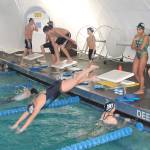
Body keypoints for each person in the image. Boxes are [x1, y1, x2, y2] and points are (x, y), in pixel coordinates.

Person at [10, 65, 99, 133]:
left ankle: (89, 68)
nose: (32, 112)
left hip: (60, 88)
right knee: (76, 82)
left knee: (76, 80)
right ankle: (91, 78)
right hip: (56, 86)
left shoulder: (37, 107)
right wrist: (16, 124)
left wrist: (22, 129)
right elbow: (26, 113)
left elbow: (30, 118)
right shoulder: (34, 102)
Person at [131, 23, 149, 94]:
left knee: (140, 72)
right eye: (137, 29)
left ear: (143, 29)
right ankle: (142, 85)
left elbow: (141, 48)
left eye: (140, 29)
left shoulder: (146, 37)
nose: (138, 31)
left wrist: (136, 47)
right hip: (137, 55)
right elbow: (132, 46)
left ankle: (141, 90)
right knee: (134, 72)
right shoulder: (136, 36)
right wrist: (135, 40)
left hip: (143, 55)